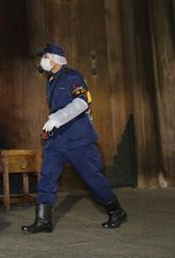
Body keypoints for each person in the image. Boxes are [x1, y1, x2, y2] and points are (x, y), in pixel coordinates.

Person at [22, 43, 127, 234]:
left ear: (54, 58)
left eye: (45, 56)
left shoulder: (73, 76)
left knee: (92, 178)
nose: (42, 60)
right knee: (47, 178)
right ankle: (43, 220)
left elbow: (81, 102)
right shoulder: (51, 80)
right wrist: (51, 126)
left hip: (77, 139)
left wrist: (57, 118)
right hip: (56, 140)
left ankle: (116, 211)